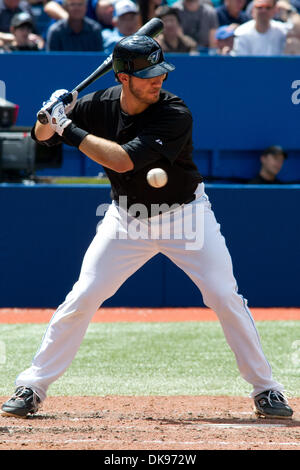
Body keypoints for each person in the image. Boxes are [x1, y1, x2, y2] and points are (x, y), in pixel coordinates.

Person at [1, 34, 293, 420]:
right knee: (84, 295)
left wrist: (67, 127)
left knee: (224, 295)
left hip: (185, 216)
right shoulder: (100, 104)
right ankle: (32, 387)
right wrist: (51, 113)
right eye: (148, 75)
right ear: (123, 78)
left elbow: (122, 161)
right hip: (126, 219)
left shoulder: (175, 113)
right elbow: (41, 137)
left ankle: (267, 389)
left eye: (161, 73)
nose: (158, 80)